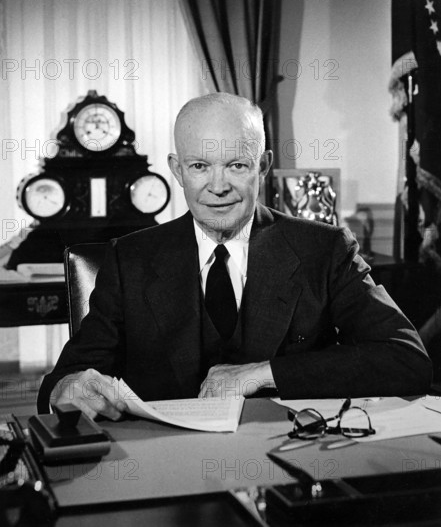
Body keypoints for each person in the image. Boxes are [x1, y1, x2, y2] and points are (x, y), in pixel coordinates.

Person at [38, 92, 432, 420]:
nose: (218, 186)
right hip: (164, 466)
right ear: (177, 170)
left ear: (263, 166)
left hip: (286, 460)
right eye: (199, 167)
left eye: (236, 165)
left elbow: (407, 360)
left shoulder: (324, 250)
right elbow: (64, 381)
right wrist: (66, 389)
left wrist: (264, 373)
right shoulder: (130, 259)